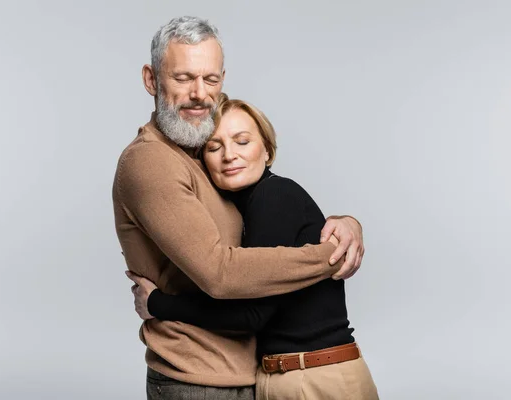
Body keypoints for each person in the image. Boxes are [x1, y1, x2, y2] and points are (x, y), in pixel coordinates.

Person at [112, 16, 365, 400]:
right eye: (183, 78)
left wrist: (348, 222)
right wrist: (327, 255)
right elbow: (221, 274)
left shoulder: (201, 158)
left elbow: (278, 213)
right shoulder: (152, 162)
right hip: (196, 381)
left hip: (248, 377)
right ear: (151, 80)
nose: (199, 93)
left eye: (210, 79)